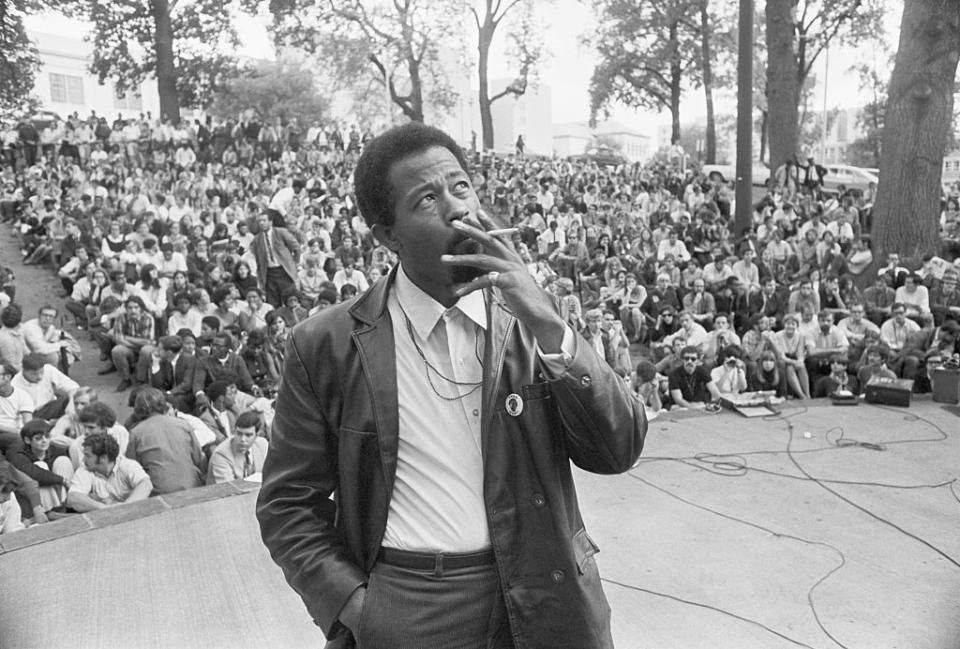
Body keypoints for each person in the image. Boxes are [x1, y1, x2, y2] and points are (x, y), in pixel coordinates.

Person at [257, 122, 645, 649]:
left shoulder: (530, 320)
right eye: (426, 199)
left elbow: (617, 449)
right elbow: (287, 503)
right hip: (408, 604)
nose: (457, 209)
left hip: (545, 590)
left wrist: (552, 329)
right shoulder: (326, 344)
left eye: (461, 187)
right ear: (387, 235)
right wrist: (356, 607)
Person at [126, 388, 204, 495]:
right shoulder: (183, 424)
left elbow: (133, 471)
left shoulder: (135, 433)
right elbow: (198, 458)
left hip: (159, 491)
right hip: (193, 485)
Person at [66, 432, 152, 512]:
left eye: (88, 456)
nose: (83, 459)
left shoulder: (127, 465)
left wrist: (125, 507)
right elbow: (73, 497)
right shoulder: (86, 469)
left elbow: (146, 484)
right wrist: (105, 508)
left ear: (103, 458)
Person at [251, 209, 301, 307]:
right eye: (259, 221)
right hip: (269, 273)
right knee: (273, 302)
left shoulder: (281, 232)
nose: (261, 223)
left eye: (264, 220)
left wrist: (295, 262)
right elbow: (258, 261)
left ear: (270, 222)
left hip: (284, 271)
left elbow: (296, 247)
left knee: (289, 299)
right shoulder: (257, 239)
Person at [206, 410, 268, 484]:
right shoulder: (221, 455)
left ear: (257, 435)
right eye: (239, 433)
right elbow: (229, 488)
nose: (242, 439)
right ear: (234, 431)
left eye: (248, 435)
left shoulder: (262, 444)